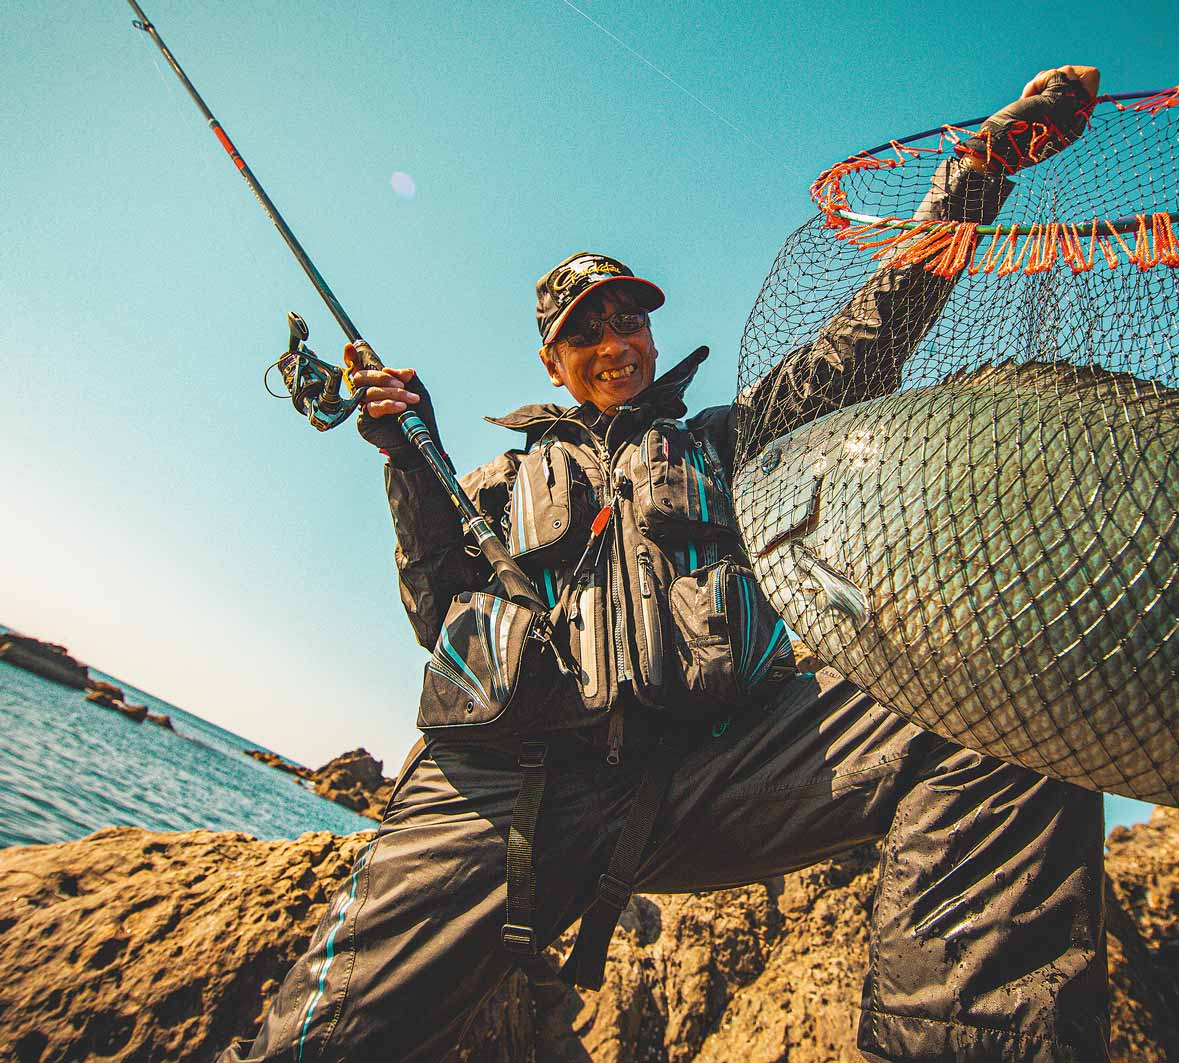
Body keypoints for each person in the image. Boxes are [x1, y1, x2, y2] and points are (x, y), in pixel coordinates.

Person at [222, 65, 1107, 1063]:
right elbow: (440, 614)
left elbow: (871, 337)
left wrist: (980, 175)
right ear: (551, 360)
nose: (614, 341)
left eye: (628, 318)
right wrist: (409, 461)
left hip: (701, 778)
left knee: (1005, 718)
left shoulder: (728, 442)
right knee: (319, 1044)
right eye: (584, 330)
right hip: (504, 793)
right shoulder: (496, 481)